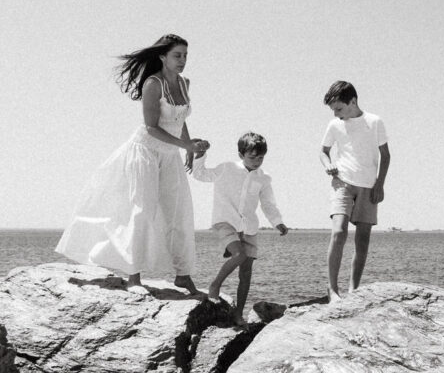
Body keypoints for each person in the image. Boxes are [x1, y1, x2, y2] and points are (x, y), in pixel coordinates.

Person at [56, 34, 201, 294]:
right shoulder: (153, 84)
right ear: (162, 57)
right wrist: (186, 146)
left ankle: (183, 275)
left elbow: (180, 119)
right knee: (142, 211)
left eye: (185, 55)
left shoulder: (184, 83)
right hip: (144, 152)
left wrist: (188, 147)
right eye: (177, 55)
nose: (182, 60)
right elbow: (152, 128)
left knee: (180, 213)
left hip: (170, 155)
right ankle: (134, 277)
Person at [192, 132, 289, 326]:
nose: (256, 161)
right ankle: (214, 286)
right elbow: (200, 175)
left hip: (249, 227)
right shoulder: (226, 168)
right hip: (225, 221)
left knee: (246, 274)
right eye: (252, 157)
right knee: (239, 255)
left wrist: (277, 221)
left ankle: (238, 314)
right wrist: (200, 155)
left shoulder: (264, 178)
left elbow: (268, 204)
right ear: (241, 154)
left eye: (260, 158)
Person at [319, 80, 390, 301]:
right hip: (342, 183)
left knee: (363, 240)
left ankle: (353, 290)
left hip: (369, 186)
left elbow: (385, 155)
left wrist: (380, 184)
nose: (336, 114)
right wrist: (328, 164)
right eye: (333, 110)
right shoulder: (335, 125)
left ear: (353, 101)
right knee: (338, 232)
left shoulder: (374, 122)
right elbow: (323, 151)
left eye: (339, 109)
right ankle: (332, 291)